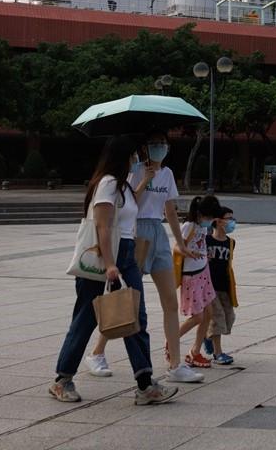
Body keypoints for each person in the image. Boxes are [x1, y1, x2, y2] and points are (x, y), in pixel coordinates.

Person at [49, 135, 177, 406]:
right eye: (132, 155)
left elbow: (130, 212)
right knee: (86, 317)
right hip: (105, 257)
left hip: (128, 254)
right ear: (121, 157)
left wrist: (145, 181)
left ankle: (145, 384)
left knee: (135, 316)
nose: (136, 160)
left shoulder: (122, 187)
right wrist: (110, 264)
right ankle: (62, 379)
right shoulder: (107, 184)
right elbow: (103, 226)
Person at [83, 132, 204, 384]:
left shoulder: (168, 174)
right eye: (154, 143)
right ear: (145, 148)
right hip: (135, 234)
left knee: (170, 301)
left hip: (157, 233)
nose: (159, 147)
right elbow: (127, 203)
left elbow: (169, 211)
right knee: (128, 300)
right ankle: (97, 352)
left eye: (163, 144)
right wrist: (144, 181)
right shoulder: (134, 170)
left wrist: (179, 244)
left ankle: (175, 364)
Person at [176, 195, 221, 369]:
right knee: (198, 316)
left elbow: (200, 246)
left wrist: (203, 255)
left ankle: (194, 352)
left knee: (208, 313)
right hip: (191, 276)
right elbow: (177, 247)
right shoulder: (189, 226)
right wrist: (188, 252)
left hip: (203, 272)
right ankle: (171, 340)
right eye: (210, 218)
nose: (211, 221)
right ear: (201, 214)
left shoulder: (202, 228)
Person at [202, 206, 238, 365]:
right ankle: (218, 353)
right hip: (209, 286)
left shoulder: (231, 242)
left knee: (229, 317)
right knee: (218, 317)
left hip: (225, 286)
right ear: (217, 221)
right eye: (228, 218)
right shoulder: (206, 240)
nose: (232, 222)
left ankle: (206, 335)